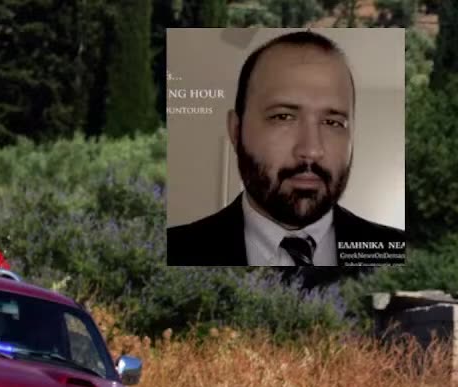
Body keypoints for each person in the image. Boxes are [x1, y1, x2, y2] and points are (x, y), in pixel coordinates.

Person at [167, 31, 405, 267]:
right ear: (236, 131)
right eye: (283, 117)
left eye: (332, 122)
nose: (311, 150)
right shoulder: (174, 250)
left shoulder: (396, 252)